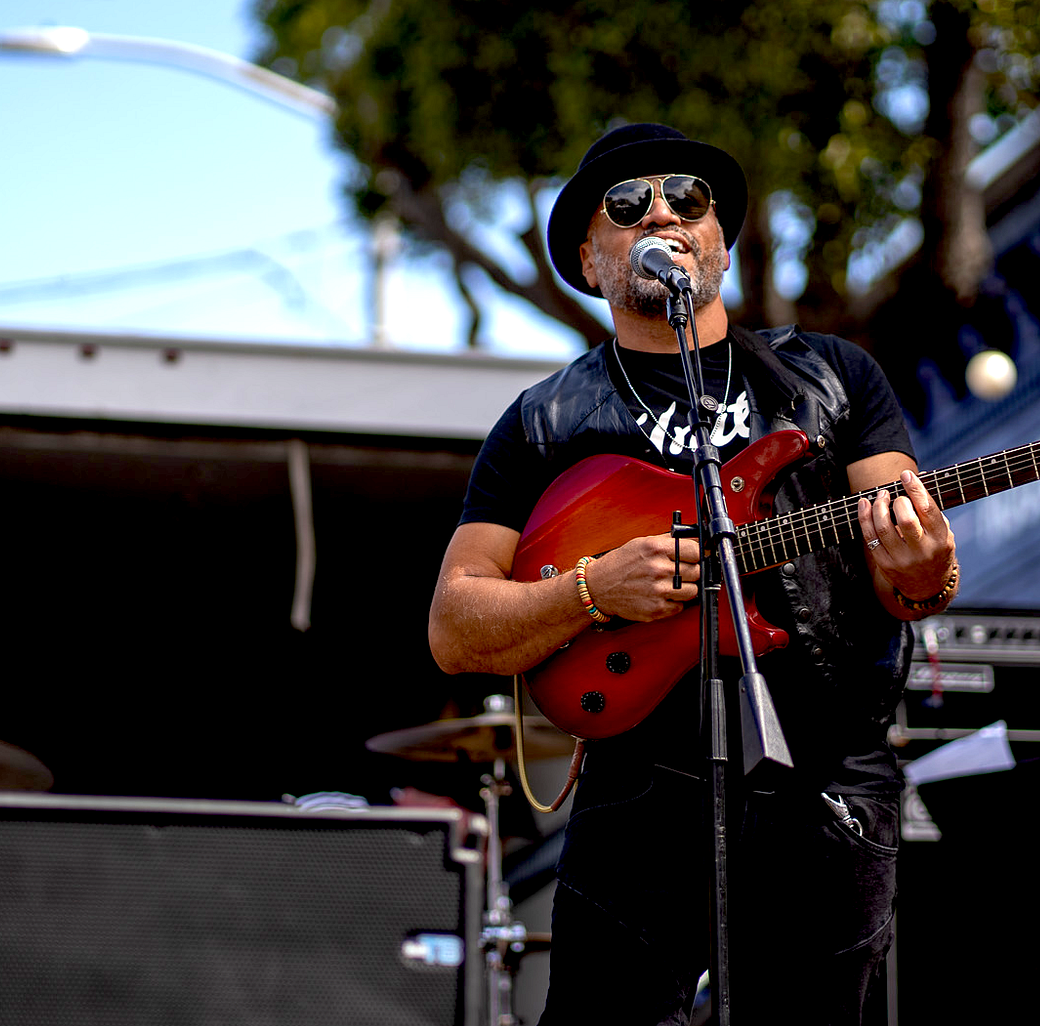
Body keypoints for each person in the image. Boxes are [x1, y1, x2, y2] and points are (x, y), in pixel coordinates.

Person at [427, 123, 957, 1025]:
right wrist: (593, 590)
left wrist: (927, 566)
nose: (663, 213)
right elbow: (455, 625)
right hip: (638, 786)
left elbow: (909, 578)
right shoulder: (544, 422)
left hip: (826, 770)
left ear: (720, 241)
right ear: (590, 260)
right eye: (627, 204)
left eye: (688, 197)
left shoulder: (830, 378)